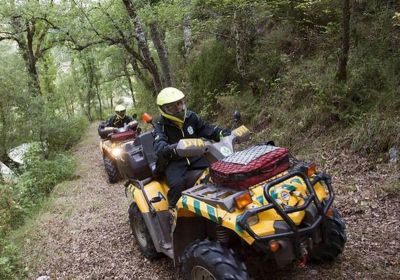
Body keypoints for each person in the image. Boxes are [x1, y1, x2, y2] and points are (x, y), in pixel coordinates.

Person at [153, 87, 230, 207]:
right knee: (177, 184)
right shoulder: (161, 125)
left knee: (219, 171)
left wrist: (221, 133)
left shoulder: (191, 117)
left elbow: (207, 129)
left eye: (178, 103)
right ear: (163, 109)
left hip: (196, 157)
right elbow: (159, 144)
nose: (177, 108)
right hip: (175, 162)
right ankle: (173, 209)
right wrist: (168, 148)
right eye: (171, 106)